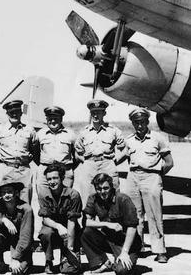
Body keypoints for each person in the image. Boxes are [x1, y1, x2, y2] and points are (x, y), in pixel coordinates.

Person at [116, 108, 174, 263]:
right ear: (133, 124)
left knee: (155, 214)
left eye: (142, 122)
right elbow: (119, 158)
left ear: (147, 122)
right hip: (133, 176)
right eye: (136, 123)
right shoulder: (129, 140)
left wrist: (157, 176)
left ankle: (160, 250)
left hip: (152, 176)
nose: (139, 125)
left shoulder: (158, 138)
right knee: (134, 215)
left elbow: (169, 162)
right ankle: (138, 246)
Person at [81, 173, 141, 275]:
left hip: (127, 243)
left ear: (111, 187)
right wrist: (106, 224)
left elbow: (132, 227)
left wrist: (125, 252)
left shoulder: (123, 199)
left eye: (105, 188)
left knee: (121, 271)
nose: (102, 192)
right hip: (110, 240)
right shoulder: (93, 198)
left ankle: (126, 261)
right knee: (85, 233)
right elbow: (86, 222)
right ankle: (103, 262)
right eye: (99, 189)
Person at [74, 99, 125, 205]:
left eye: (98, 112)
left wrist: (115, 161)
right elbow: (77, 152)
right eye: (93, 113)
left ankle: (113, 220)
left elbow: (124, 148)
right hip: (89, 166)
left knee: (113, 196)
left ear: (104, 113)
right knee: (88, 197)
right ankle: (89, 220)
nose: (95, 115)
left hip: (107, 164)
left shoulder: (113, 130)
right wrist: (86, 162)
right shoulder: (84, 132)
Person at [37, 163, 82, 274]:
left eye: (55, 178)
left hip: (70, 231)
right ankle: (49, 261)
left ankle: (66, 257)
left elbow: (72, 222)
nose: (52, 181)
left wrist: (69, 248)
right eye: (49, 179)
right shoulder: (43, 193)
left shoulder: (73, 195)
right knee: (45, 233)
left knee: (69, 270)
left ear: (62, 178)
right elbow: (45, 219)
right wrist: (58, 226)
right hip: (53, 228)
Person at [0, 100, 37, 203]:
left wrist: (25, 159)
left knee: (25, 201)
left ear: (21, 112)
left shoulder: (29, 130)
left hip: (24, 170)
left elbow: (34, 149)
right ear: (7, 113)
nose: (14, 114)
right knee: (5, 201)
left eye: (17, 111)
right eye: (11, 112)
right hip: (6, 169)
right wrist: (5, 162)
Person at [0, 180, 33, 275]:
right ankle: (0, 263)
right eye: (3, 192)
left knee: (17, 272)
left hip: (20, 243)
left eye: (9, 192)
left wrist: (16, 257)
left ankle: (25, 261)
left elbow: (26, 237)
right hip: (6, 239)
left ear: (16, 192)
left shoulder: (26, 209)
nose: (6, 195)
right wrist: (3, 220)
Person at [34, 106, 76, 196]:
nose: (53, 121)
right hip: (44, 172)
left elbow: (76, 155)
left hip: (65, 172)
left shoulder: (70, 134)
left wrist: (67, 167)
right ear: (46, 119)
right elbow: (35, 153)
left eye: (56, 118)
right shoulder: (40, 134)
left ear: (61, 119)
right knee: (44, 199)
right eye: (50, 118)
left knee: (65, 200)